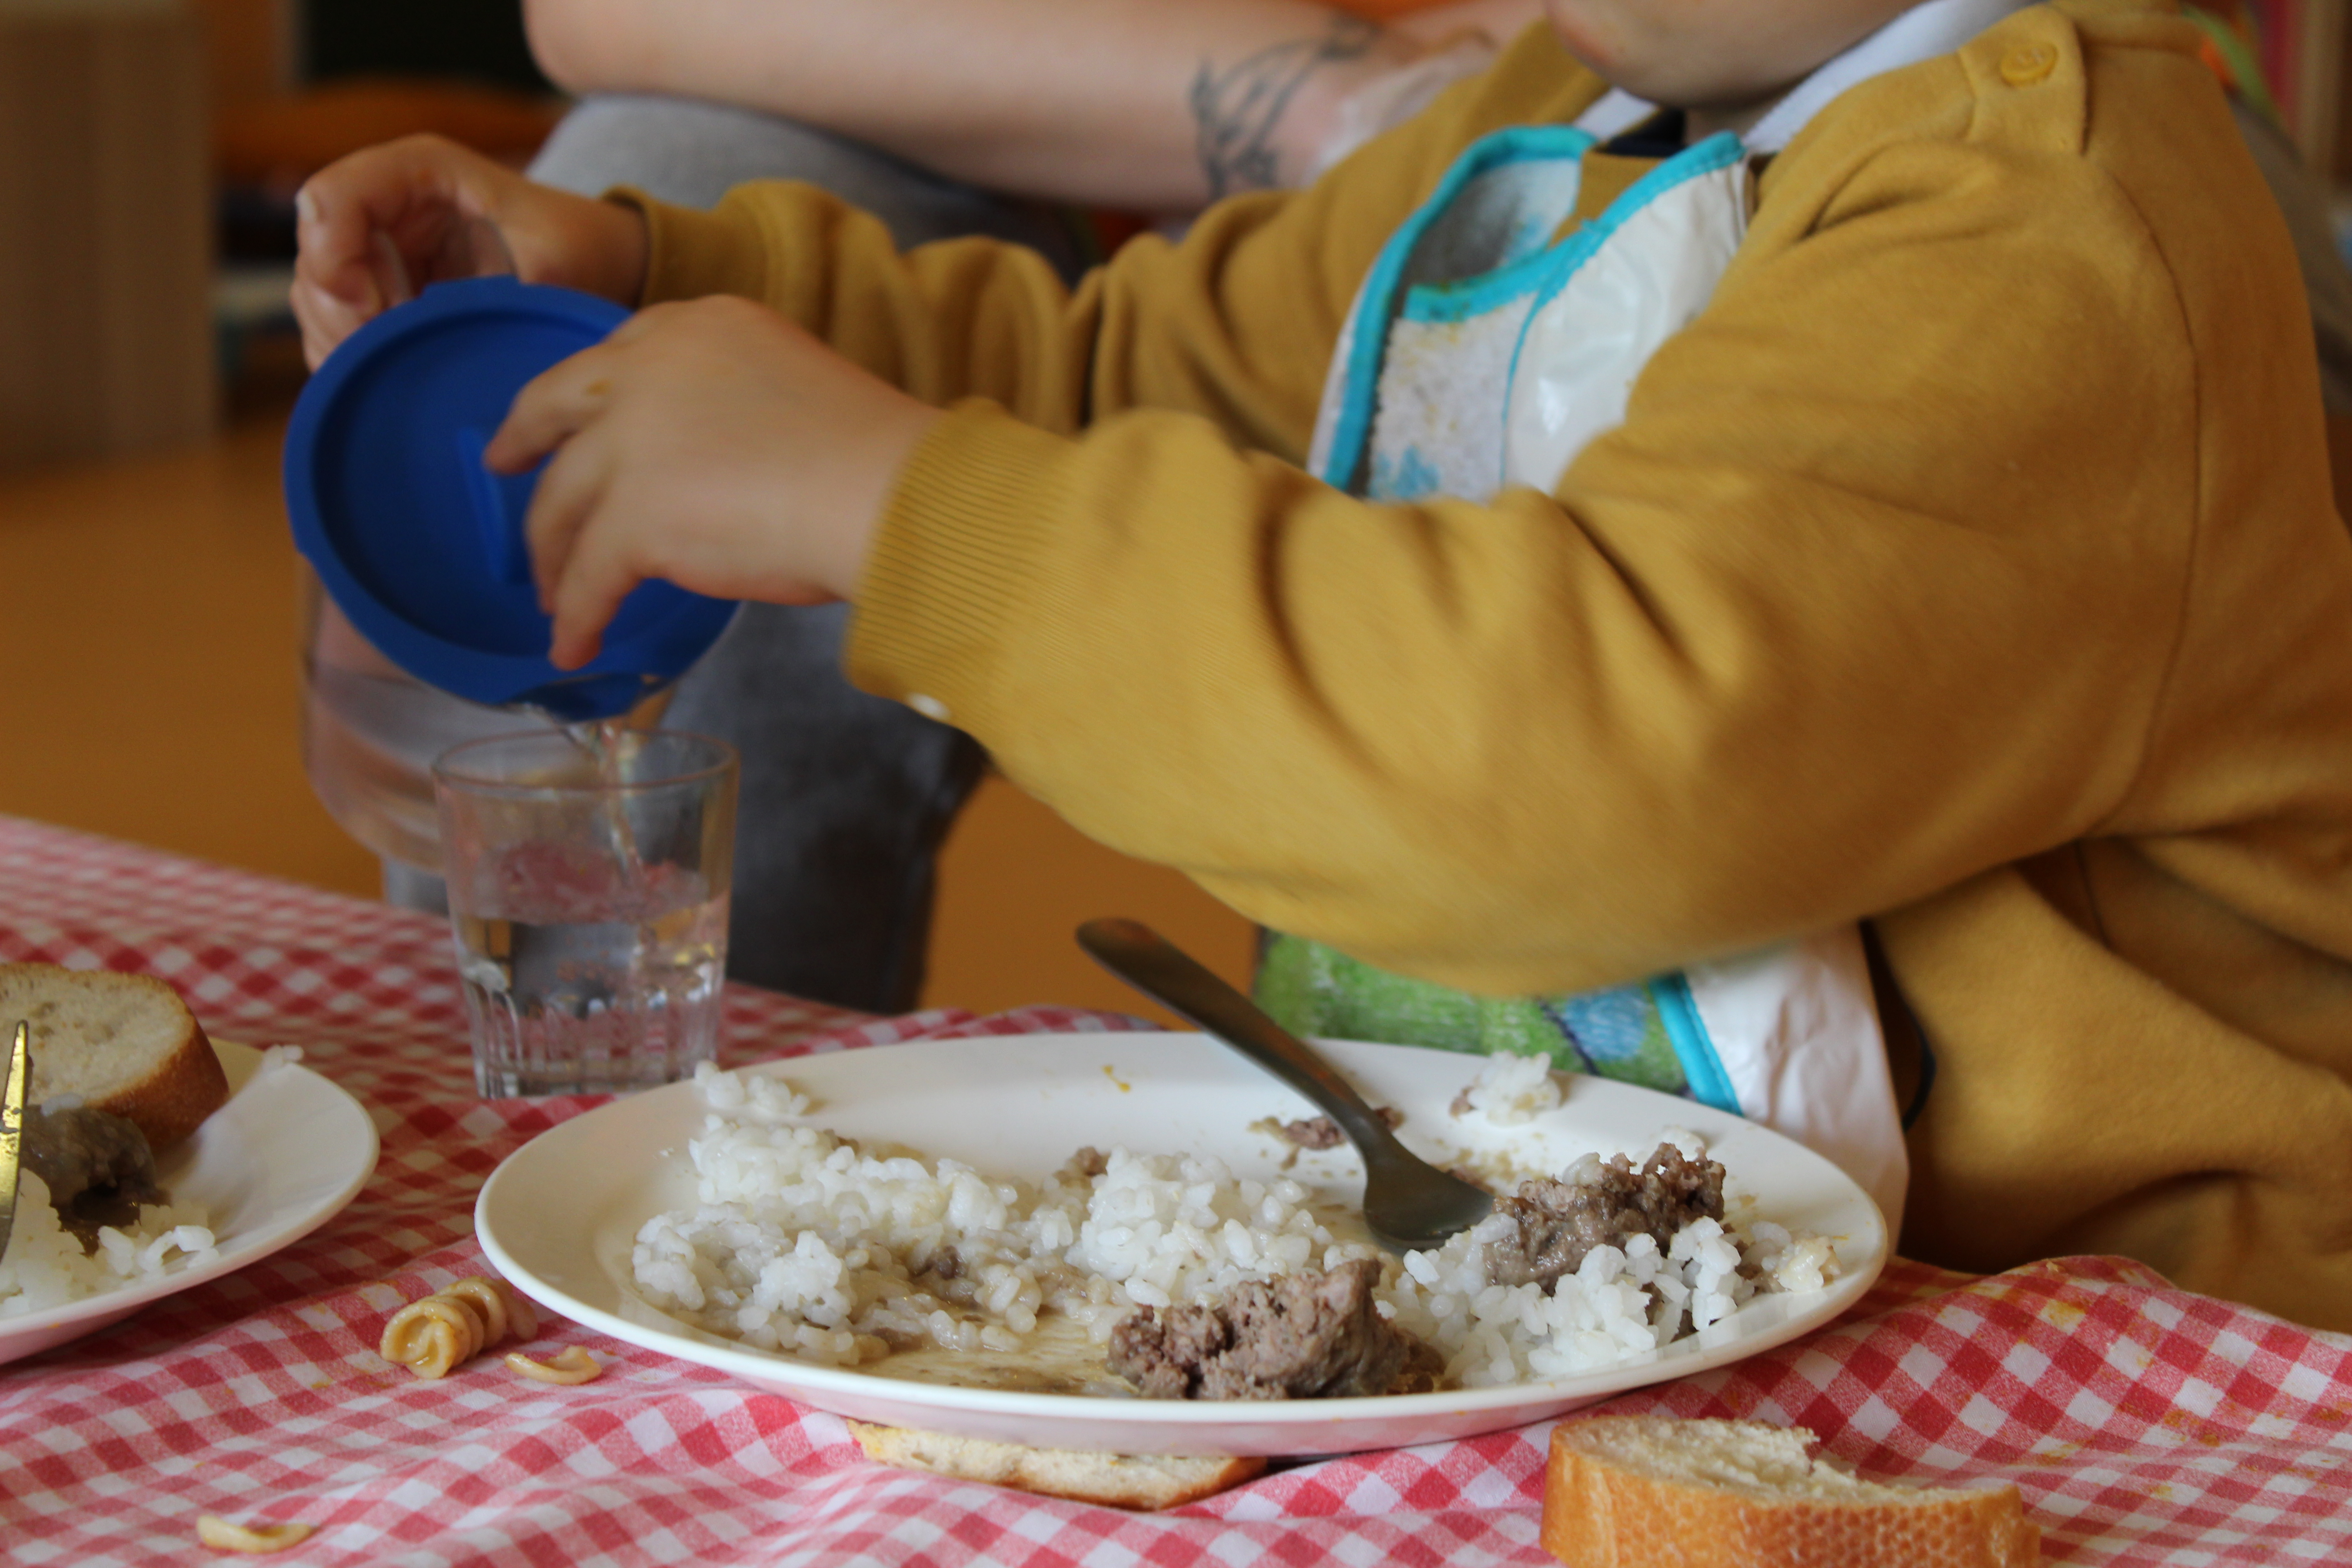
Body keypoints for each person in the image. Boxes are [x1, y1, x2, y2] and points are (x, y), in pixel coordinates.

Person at [294, 0, 2352, 1331]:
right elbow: (1144, 375)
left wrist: (902, 510)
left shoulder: (2059, 230)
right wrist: (685, 284)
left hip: (2076, 1340)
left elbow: (1587, 775)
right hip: (1586, 1267)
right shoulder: (1574, 103)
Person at [299, 0, 1539, 1015]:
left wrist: (881, 497)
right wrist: (1334, 102)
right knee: (660, 198)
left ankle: (739, 1106)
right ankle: (562, 1097)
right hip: (1233, 145)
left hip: (1502, 128)